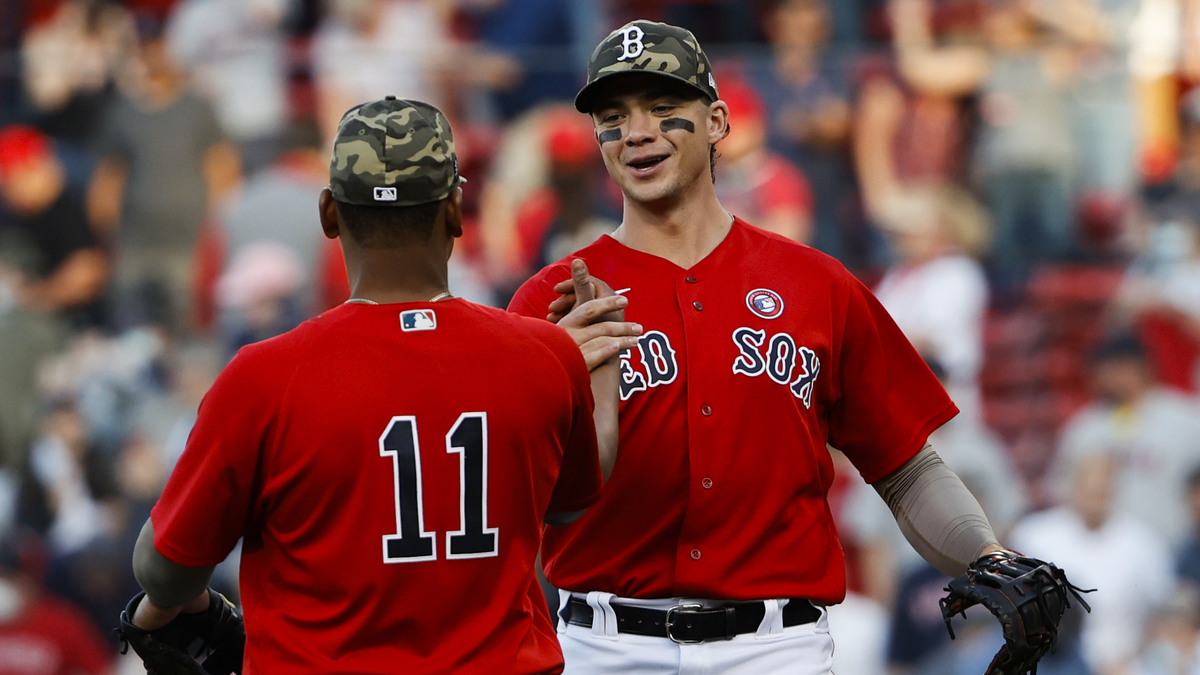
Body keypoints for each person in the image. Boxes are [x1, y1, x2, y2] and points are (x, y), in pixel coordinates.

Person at [508, 20, 1019, 675]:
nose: (637, 132)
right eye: (614, 116)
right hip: (606, 646)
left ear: (718, 121)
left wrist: (989, 559)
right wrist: (559, 390)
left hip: (776, 648)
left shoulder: (816, 284)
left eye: (665, 110)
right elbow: (503, 502)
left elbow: (907, 468)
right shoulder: (550, 301)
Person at [124, 97, 639, 674]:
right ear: (454, 211)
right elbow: (571, 507)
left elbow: (164, 568)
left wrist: (173, 603)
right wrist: (593, 378)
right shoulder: (544, 356)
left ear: (329, 214)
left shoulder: (264, 375)